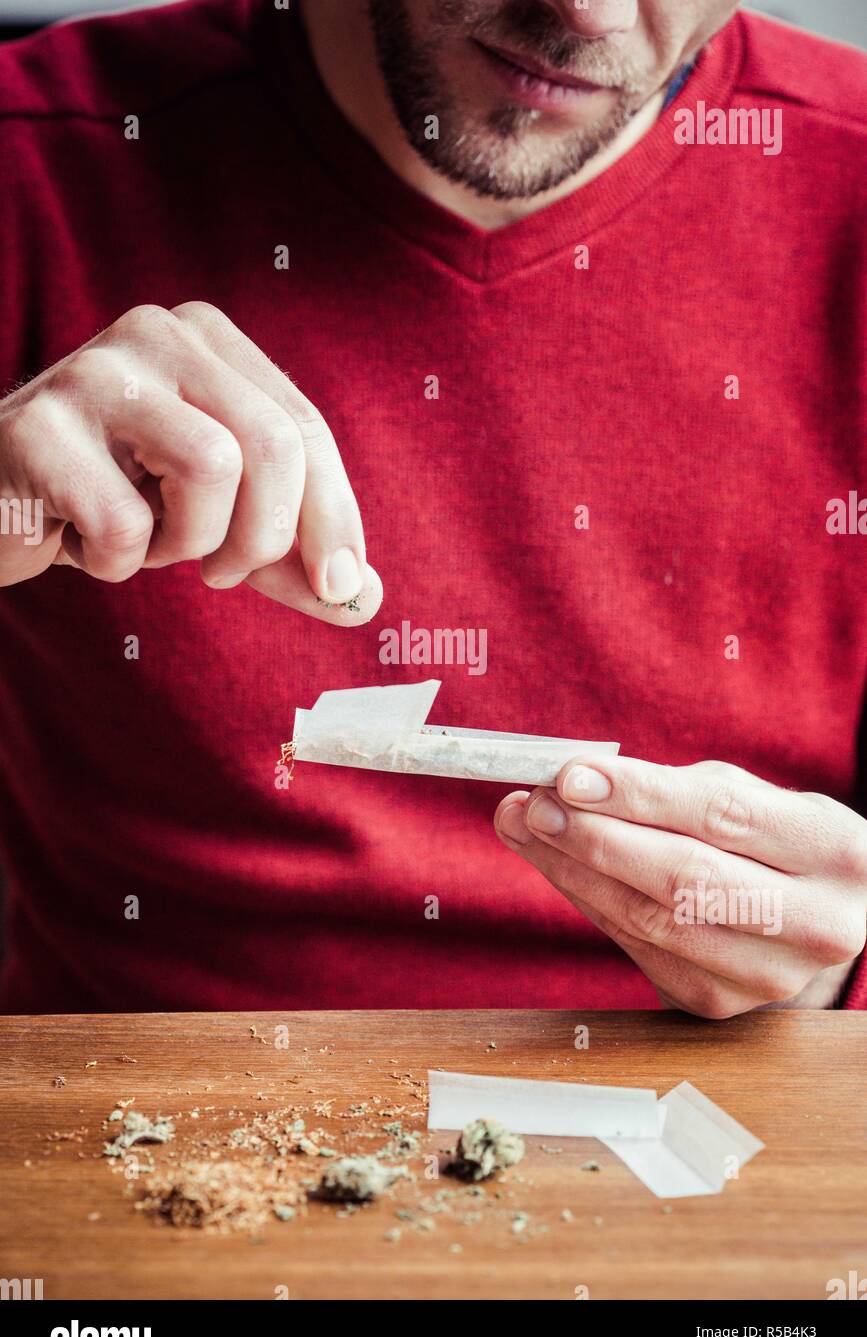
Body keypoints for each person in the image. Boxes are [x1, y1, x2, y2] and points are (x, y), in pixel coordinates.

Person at [0, 0, 864, 1017]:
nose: (585, 11)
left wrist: (837, 979)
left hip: (750, 1122)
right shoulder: (37, 158)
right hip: (135, 1130)